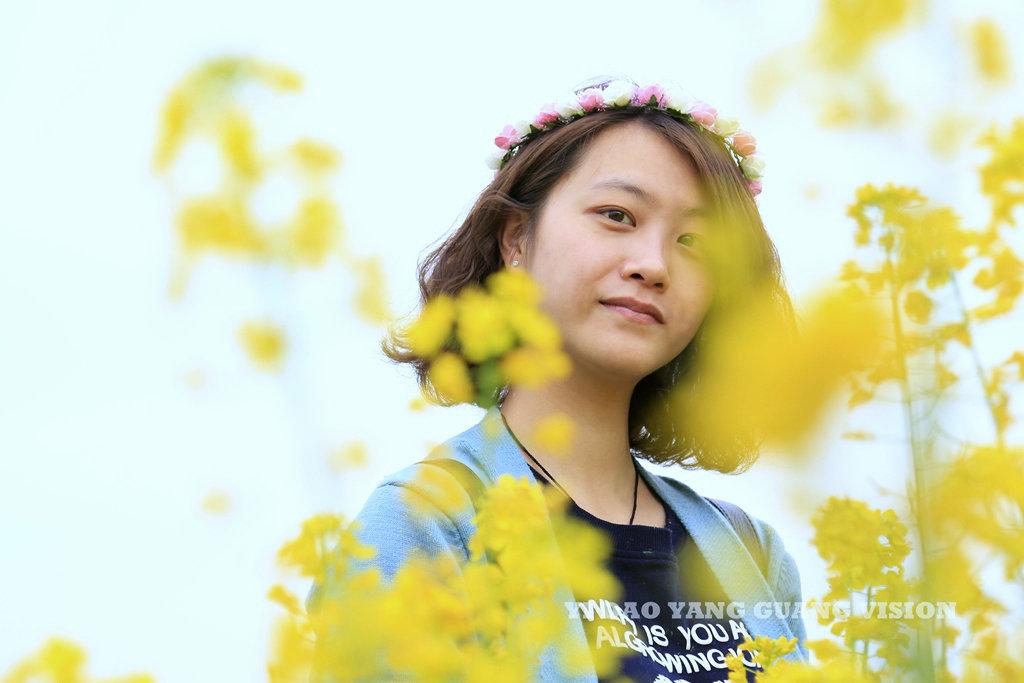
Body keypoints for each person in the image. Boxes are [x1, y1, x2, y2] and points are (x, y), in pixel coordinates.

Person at [308, 76, 809, 682]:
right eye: (617, 215)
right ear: (516, 240)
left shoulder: (752, 553)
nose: (653, 265)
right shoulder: (426, 524)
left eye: (694, 241)